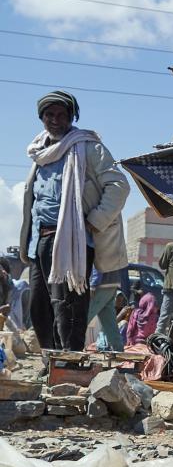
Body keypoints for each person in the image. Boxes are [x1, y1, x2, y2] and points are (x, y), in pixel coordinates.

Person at [19, 90, 129, 351]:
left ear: (71, 116)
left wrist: (94, 221)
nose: (55, 119)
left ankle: (71, 365)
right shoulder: (39, 152)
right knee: (40, 307)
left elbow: (119, 185)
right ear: (41, 118)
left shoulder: (88, 147)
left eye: (61, 114)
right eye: (49, 114)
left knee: (68, 307)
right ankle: (52, 361)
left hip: (72, 240)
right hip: (39, 242)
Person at [87, 266, 124, 351]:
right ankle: (118, 350)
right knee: (110, 322)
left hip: (101, 284)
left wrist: (94, 283)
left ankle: (74, 349)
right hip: (112, 283)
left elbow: (99, 258)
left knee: (84, 319)